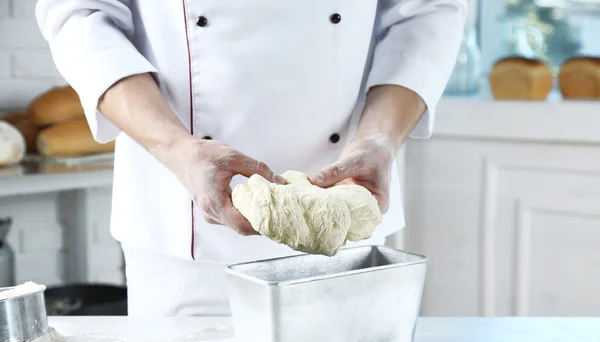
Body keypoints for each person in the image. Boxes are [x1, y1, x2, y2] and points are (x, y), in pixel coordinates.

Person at [36, 1, 466, 316]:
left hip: (347, 223)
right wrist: (178, 149)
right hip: (185, 243)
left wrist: (381, 139)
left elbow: (428, 12)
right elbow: (78, 15)